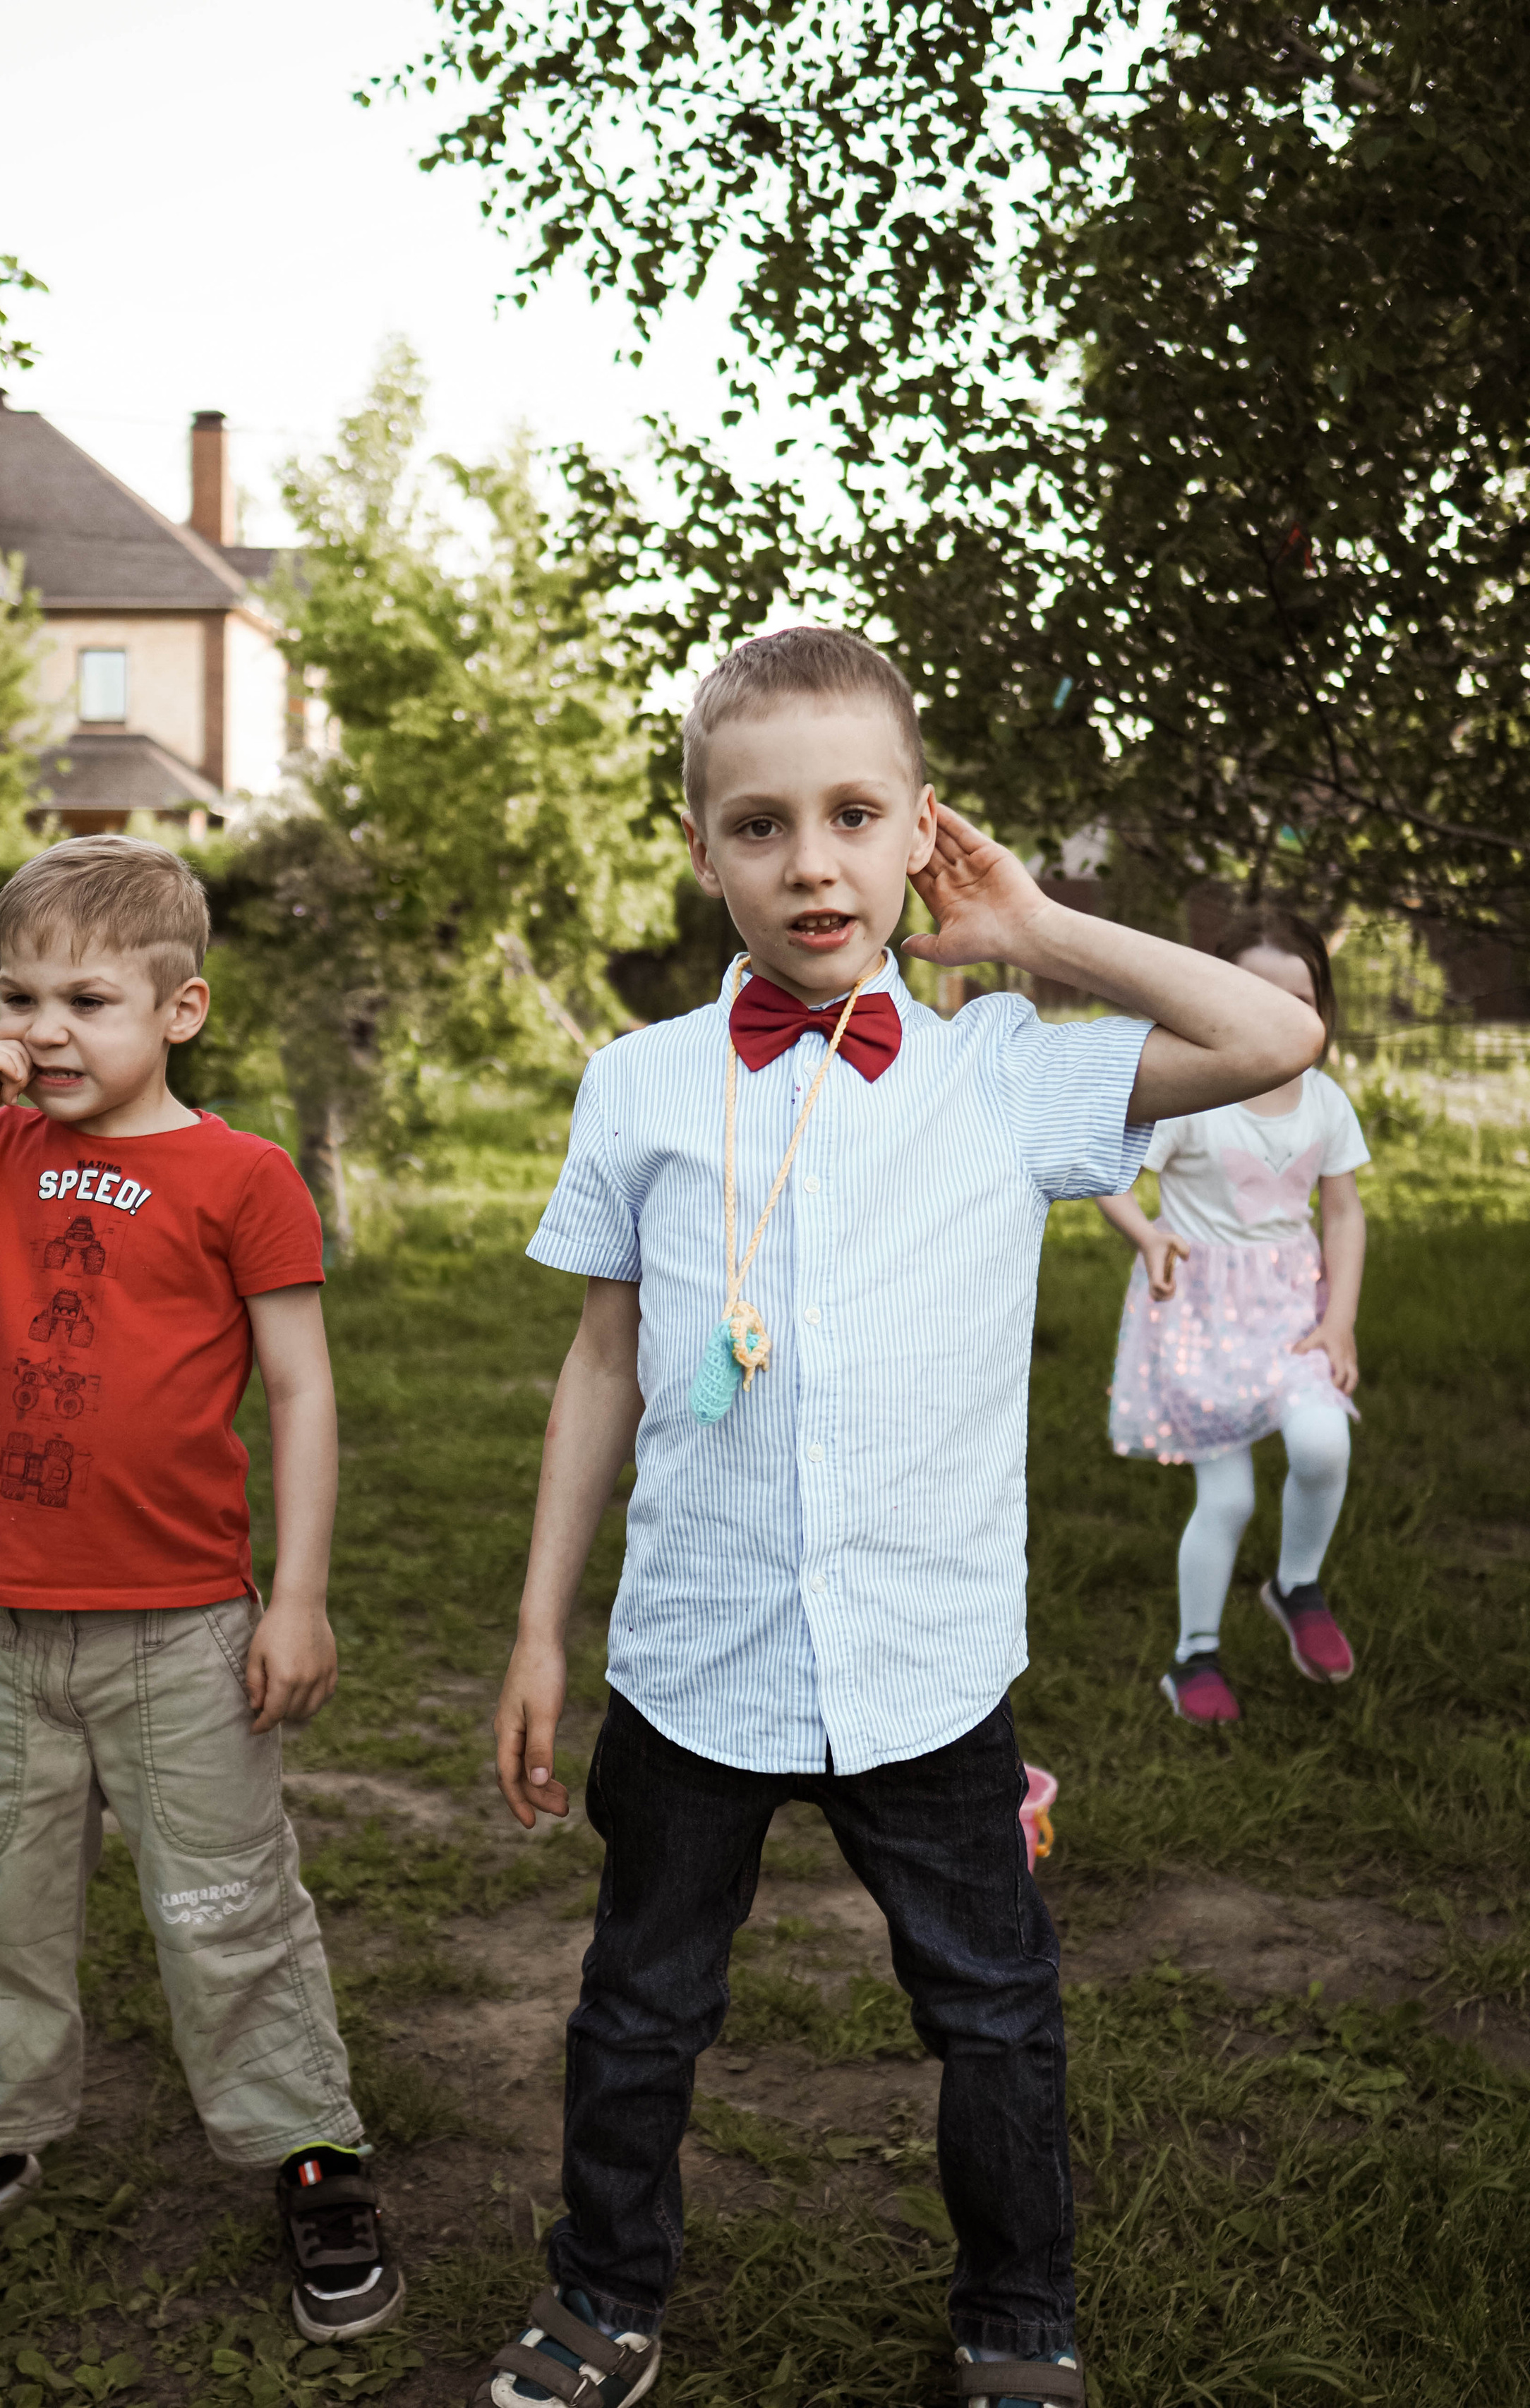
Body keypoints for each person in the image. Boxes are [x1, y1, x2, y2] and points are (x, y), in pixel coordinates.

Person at [468, 628, 1323, 2408]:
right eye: (760, 824)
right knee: (637, 2009)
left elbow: (1274, 1032)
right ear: (700, 847)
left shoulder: (1002, 1073)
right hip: (693, 1657)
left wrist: (1033, 927)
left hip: (926, 1667)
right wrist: (542, 1623)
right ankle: (604, 2292)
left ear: (914, 831)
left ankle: (1019, 2321)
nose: (810, 862)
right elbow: (601, 1361)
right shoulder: (636, 1084)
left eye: (854, 815)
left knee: (992, 2011)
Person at [0, 835, 403, 2345]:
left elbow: (300, 1389)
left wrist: (301, 1593)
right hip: (9, 1627)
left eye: (87, 998)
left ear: (179, 1007)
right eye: (17, 997)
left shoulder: (240, 1175)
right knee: (6, 1903)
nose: (44, 1029)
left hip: (184, 1630)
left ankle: (307, 2146)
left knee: (224, 1903)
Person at [1098, 907, 1368, 1726]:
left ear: (1320, 1005)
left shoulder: (1323, 1101)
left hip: (1290, 1311)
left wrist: (1340, 1320)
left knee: (1325, 1442)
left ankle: (1296, 1583)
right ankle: (1195, 1656)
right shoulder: (1193, 1096)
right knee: (1227, 1500)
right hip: (1200, 1315)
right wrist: (1146, 1234)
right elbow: (1107, 1171)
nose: (1281, 1014)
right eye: (1256, 995)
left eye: (1300, 998)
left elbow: (1344, 1213)